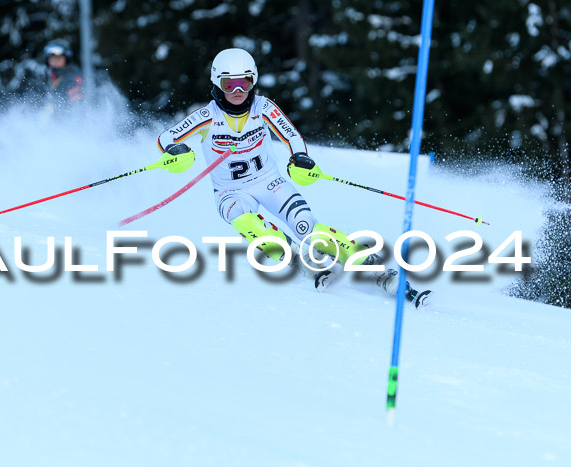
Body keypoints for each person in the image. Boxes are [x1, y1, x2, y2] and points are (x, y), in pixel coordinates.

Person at [156, 48, 430, 307]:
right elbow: (167, 138)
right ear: (217, 84)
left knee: (307, 227)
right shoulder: (207, 116)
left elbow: (291, 135)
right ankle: (301, 262)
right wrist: (175, 149)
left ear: (254, 81)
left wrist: (299, 157)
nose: (239, 91)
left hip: (269, 181)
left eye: (245, 82)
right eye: (230, 85)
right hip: (230, 192)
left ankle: (375, 268)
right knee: (247, 222)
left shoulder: (263, 107)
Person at [42, 39, 84, 116]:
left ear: (66, 58)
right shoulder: (47, 77)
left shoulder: (73, 79)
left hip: (67, 122)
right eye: (52, 58)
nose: (55, 61)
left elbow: (78, 106)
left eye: (58, 58)